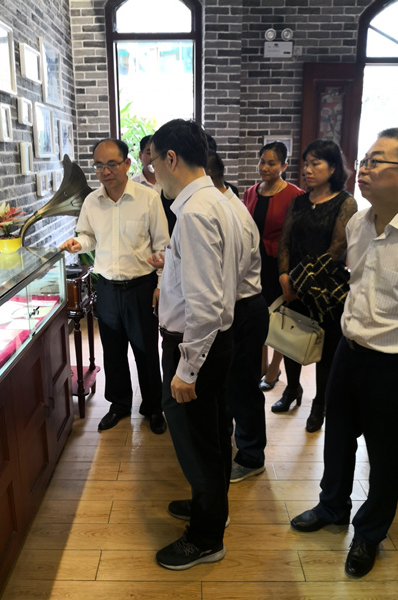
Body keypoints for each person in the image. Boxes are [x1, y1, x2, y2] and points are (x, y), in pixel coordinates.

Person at [290, 127, 398, 578]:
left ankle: (369, 533)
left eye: (378, 161)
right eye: (365, 159)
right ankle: (332, 506)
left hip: (391, 362)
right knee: (337, 437)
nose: (365, 168)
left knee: (387, 454)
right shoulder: (358, 224)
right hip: (348, 348)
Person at [149, 119, 244, 570]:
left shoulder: (193, 212)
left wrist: (186, 369)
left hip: (196, 347)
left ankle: (206, 538)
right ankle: (211, 507)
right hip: (215, 342)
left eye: (153, 164)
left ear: (171, 158)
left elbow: (204, 304)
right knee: (212, 436)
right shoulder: (218, 200)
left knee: (198, 444)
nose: (153, 175)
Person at [60, 138, 170, 435]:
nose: (105, 171)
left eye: (111, 164)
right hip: (107, 288)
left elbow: (162, 245)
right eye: (99, 165)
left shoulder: (148, 199)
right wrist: (79, 243)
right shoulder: (91, 202)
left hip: (141, 287)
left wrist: (160, 285)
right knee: (112, 350)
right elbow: (88, 236)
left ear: (127, 163)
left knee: (146, 351)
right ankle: (119, 404)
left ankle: (153, 407)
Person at [273, 139, 358, 432]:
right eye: (306, 164)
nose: (307, 170)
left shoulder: (345, 202)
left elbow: (337, 250)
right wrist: (284, 276)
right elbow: (285, 241)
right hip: (293, 286)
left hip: (326, 290)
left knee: (325, 350)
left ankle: (319, 403)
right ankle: (292, 389)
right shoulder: (299, 201)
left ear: (333, 168)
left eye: (315, 163)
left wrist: (298, 282)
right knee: (290, 341)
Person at [206, 152, 269, 483]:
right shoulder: (224, 205)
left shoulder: (233, 215)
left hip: (243, 308)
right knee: (231, 385)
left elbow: (228, 280)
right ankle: (234, 443)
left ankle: (251, 455)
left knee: (243, 388)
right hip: (237, 306)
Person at [243, 142, 303, 391]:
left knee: (279, 319)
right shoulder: (251, 192)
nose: (264, 167)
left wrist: (288, 273)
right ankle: (261, 364)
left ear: (284, 166)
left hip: (280, 267)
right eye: (262, 162)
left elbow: (297, 238)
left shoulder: (295, 195)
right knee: (258, 316)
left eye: (272, 163)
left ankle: (274, 368)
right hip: (254, 265)